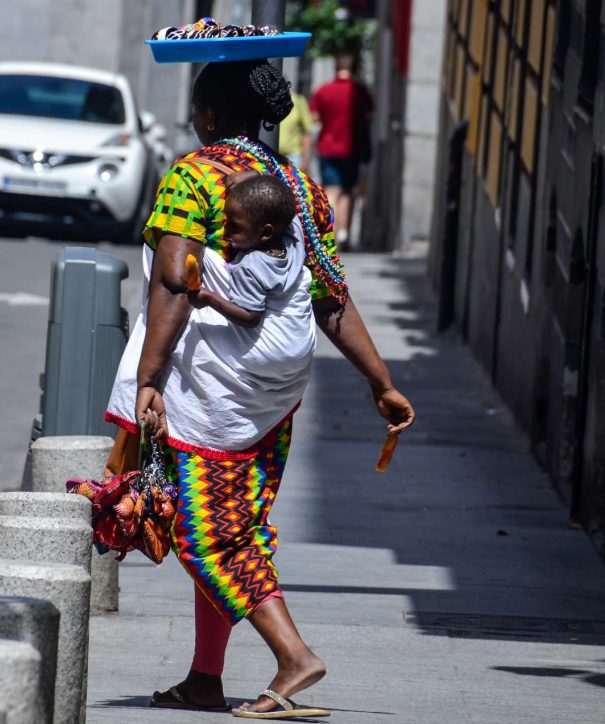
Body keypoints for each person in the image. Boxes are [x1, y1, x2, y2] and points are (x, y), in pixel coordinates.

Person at [103, 58, 414, 718]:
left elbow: (172, 282)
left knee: (203, 534)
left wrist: (150, 379)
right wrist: (379, 380)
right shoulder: (299, 185)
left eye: (196, 109)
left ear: (211, 115)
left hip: (212, 387)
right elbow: (331, 297)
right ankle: (205, 678)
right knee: (238, 521)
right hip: (276, 392)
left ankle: (295, 658)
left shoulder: (194, 176)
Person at [187, 172, 304, 329]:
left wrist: (209, 298)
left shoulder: (249, 267)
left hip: (267, 350)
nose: (224, 231)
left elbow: (250, 317)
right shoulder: (294, 238)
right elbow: (284, 203)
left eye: (235, 226)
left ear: (266, 233)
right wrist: (256, 177)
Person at [310, 53, 374, 249]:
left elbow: (314, 117)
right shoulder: (360, 91)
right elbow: (369, 116)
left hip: (327, 146)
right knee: (347, 191)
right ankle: (344, 231)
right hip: (352, 148)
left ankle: (330, 232)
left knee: (330, 190)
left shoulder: (323, 90)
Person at [278, 91, 313, 168]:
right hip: (271, 155)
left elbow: (306, 132)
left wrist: (305, 161)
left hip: (293, 156)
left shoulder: (299, 101)